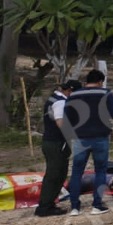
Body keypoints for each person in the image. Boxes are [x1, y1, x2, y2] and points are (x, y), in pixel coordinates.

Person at [65, 69, 113, 215]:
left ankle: (75, 207)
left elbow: (67, 116)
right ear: (100, 81)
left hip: (80, 138)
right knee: (100, 170)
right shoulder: (105, 93)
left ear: (86, 81)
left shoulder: (74, 95)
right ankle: (96, 205)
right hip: (101, 137)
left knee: (77, 172)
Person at [35, 80, 81, 217]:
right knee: (55, 175)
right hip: (56, 143)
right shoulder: (60, 102)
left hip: (51, 142)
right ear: (70, 91)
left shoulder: (53, 98)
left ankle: (49, 203)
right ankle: (45, 206)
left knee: (57, 174)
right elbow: (61, 123)